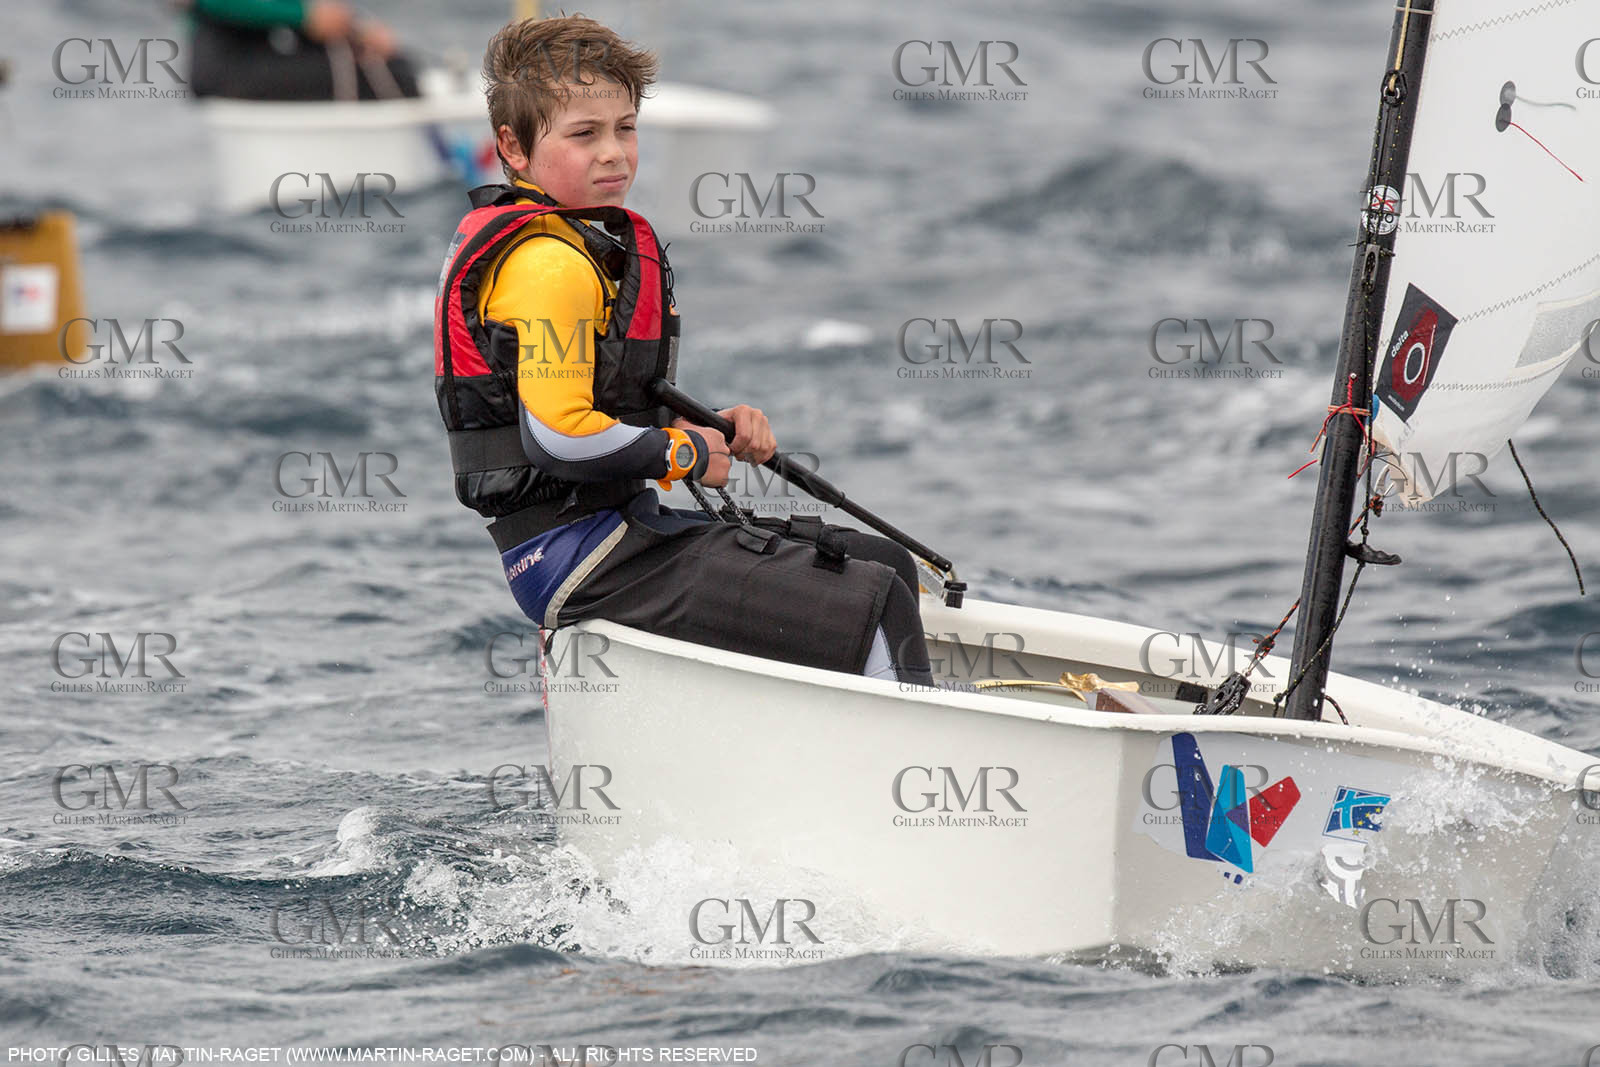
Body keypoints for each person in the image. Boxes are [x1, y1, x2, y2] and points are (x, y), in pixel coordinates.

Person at [433, 15, 932, 685]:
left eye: (625, 128)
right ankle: (916, 743)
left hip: (617, 531)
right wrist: (684, 453)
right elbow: (559, 438)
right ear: (513, 148)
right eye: (584, 134)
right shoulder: (549, 265)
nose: (613, 153)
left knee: (884, 563)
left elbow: (599, 409)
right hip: (576, 556)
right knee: (876, 598)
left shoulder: (574, 246)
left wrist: (706, 426)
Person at [187, 0, 420, 101]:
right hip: (228, 65)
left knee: (394, 65)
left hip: (254, 55)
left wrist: (356, 26)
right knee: (399, 77)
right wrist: (303, 16)